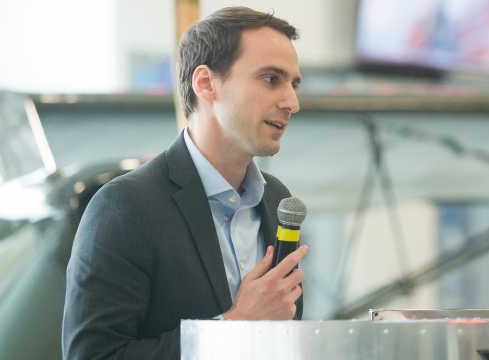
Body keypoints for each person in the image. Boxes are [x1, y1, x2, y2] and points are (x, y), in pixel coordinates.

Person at [62, 6, 308, 360]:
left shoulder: (276, 202)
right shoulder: (124, 207)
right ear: (206, 83)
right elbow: (93, 356)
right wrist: (235, 326)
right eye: (271, 79)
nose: (292, 102)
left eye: (294, 84)